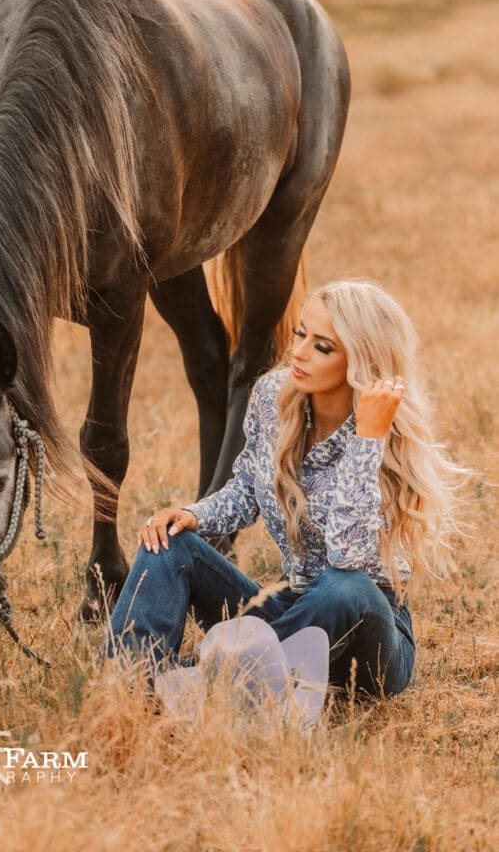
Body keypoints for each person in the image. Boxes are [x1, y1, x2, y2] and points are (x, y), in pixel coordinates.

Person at [105, 278, 465, 698]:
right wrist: (195, 515)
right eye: (300, 333)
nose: (298, 352)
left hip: (367, 634)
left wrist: (367, 439)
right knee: (168, 541)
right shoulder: (272, 397)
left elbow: (347, 556)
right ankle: (129, 688)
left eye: (322, 346)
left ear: (361, 360)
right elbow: (246, 489)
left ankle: (212, 681)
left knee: (344, 584)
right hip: (293, 607)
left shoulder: (385, 436)